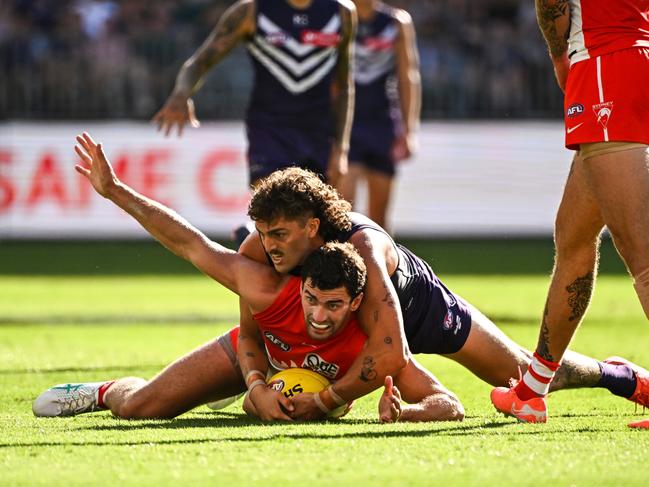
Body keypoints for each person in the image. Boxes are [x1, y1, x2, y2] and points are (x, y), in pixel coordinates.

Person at [32, 133, 463, 424]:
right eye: (312, 299)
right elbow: (192, 244)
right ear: (302, 288)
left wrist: (403, 413)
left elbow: (449, 403)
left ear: (355, 304)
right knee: (140, 409)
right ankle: (105, 390)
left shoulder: (371, 338)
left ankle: (236, 390)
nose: (319, 313)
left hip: (288, 372)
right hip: (257, 354)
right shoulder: (268, 289)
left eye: (334, 305)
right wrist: (257, 386)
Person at [235, 166, 649, 421]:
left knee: (524, 377)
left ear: (311, 228)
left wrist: (325, 401)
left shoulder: (363, 245)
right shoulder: (261, 246)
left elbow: (391, 351)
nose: (268, 243)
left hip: (420, 311)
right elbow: (248, 324)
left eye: (279, 233)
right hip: (349, 320)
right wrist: (256, 387)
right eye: (262, 232)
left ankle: (617, 375)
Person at [490, 0, 649, 427]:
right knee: (574, 238)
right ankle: (533, 388)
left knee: (642, 255)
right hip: (634, 58)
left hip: (604, 67)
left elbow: (551, 4)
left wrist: (560, 57)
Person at [152, 0, 356, 187]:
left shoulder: (342, 12)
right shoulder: (251, 11)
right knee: (270, 212)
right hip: (268, 129)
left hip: (318, 132)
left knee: (314, 221)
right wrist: (180, 94)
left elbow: (344, 84)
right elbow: (199, 62)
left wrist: (341, 148)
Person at [336, 0, 420, 229]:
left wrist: (409, 130)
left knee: (379, 220)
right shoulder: (337, 17)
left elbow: (408, 76)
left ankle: (383, 264)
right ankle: (343, 264)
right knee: (342, 215)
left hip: (382, 125)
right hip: (346, 126)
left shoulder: (396, 22)